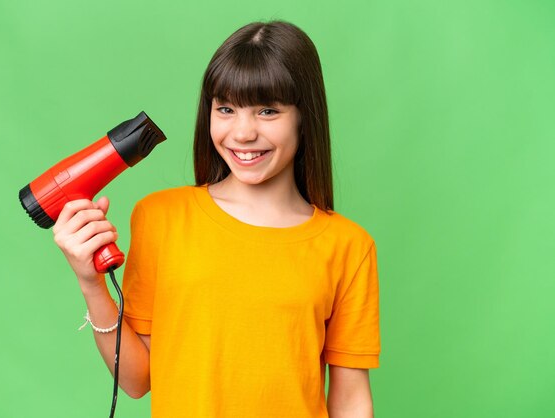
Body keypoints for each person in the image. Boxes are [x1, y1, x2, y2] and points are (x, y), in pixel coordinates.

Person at [53, 20, 380, 418]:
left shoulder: (348, 246)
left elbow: (350, 401)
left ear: (303, 116)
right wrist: (91, 284)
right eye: (225, 108)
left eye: (268, 111)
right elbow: (136, 380)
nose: (243, 132)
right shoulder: (160, 218)